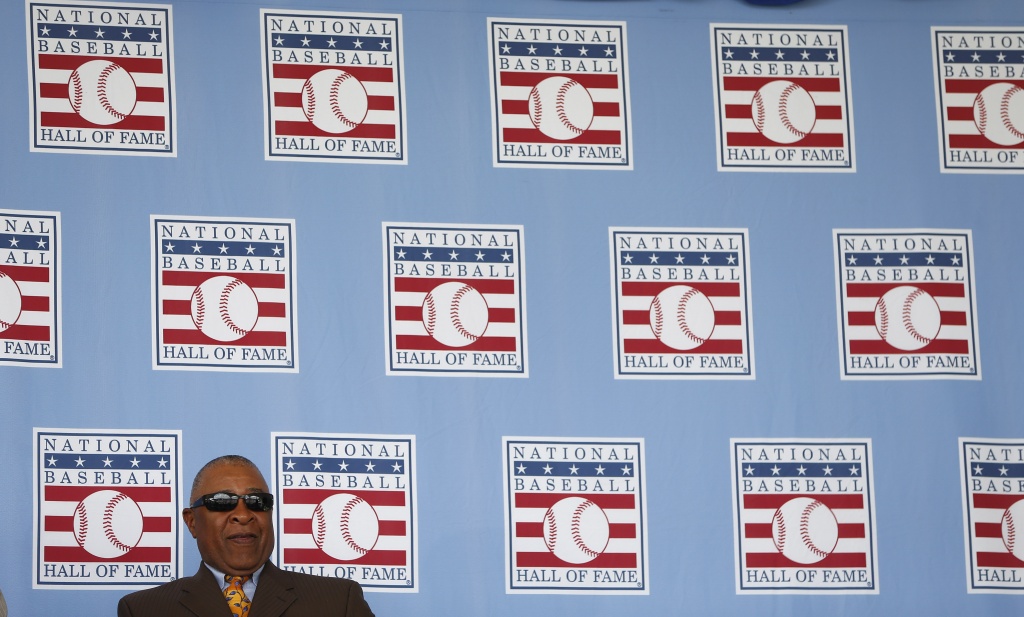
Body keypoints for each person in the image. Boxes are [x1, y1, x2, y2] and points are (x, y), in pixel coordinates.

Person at [118, 454, 375, 616]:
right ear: (192, 521)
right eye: (221, 501)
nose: (243, 514)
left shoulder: (339, 601)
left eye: (257, 500)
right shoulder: (143, 609)